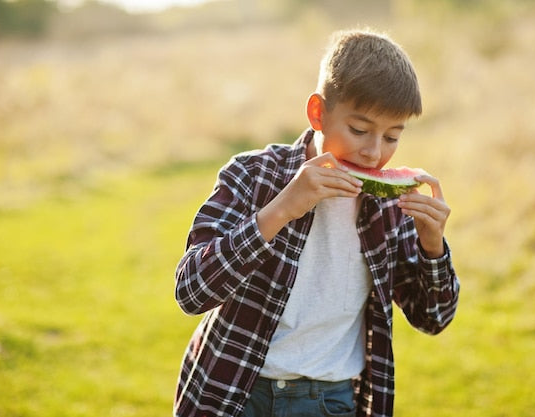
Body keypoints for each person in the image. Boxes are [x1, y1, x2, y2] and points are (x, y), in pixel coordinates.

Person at [173, 28, 460, 417]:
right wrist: (279, 211)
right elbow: (191, 291)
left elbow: (433, 318)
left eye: (392, 137)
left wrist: (433, 247)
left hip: (330, 400)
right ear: (317, 113)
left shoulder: (390, 206)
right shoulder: (252, 175)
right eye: (359, 130)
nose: (374, 153)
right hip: (233, 391)